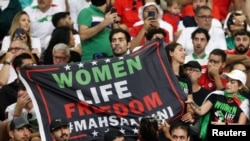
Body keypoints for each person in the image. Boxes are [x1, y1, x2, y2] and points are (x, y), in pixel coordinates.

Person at [186, 69, 249, 140]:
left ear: (240, 86)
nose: (228, 84)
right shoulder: (216, 95)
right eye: (227, 81)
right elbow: (201, 111)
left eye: (232, 82)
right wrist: (192, 103)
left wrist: (225, 125)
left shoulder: (244, 103)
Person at [164, 43, 195, 124]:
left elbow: (190, 103)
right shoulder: (163, 75)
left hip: (182, 121)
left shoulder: (186, 79)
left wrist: (190, 113)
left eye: (184, 50)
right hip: (166, 121)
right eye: (180, 50)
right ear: (171, 53)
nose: (184, 53)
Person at [0, 52, 35, 120]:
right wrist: (18, 108)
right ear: (18, 69)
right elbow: (3, 117)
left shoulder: (40, 86)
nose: (32, 68)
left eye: (32, 65)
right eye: (28, 66)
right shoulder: (6, 91)